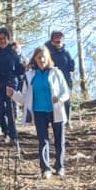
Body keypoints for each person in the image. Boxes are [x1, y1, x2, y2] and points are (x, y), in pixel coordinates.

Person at [22, 46, 69, 177]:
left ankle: (60, 166)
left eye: (44, 57)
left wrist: (59, 99)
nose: (42, 60)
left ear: (48, 58)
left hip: (56, 110)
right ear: (35, 59)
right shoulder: (30, 76)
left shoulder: (56, 73)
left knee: (59, 139)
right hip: (39, 111)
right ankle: (45, 168)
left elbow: (65, 92)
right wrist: (12, 94)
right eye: (39, 57)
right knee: (43, 140)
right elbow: (25, 97)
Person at [0, 27, 24, 144]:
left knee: (10, 110)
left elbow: (19, 70)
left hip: (10, 84)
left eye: (4, 38)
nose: (2, 41)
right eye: (0, 38)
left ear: (8, 39)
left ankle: (13, 135)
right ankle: (5, 132)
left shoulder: (13, 53)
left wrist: (23, 68)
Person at [48, 31, 76, 121]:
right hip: (54, 81)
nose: (58, 43)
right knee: (55, 100)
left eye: (60, 41)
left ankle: (67, 120)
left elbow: (71, 67)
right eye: (56, 41)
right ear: (52, 42)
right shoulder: (49, 54)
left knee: (66, 100)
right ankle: (55, 120)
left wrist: (72, 65)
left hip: (66, 79)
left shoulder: (66, 53)